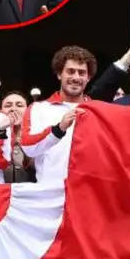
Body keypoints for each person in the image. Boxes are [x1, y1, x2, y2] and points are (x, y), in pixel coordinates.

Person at [21, 45, 95, 182]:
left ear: (88, 77)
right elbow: (28, 148)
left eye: (81, 73)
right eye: (71, 71)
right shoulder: (38, 108)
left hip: (87, 195)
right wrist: (58, 129)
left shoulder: (97, 111)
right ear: (60, 74)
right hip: (49, 195)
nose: (76, 77)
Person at [0, 91, 34, 183]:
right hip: (0, 194)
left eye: (19, 105)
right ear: (0, 111)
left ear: (27, 110)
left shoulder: (37, 135)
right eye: (8, 106)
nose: (13, 109)